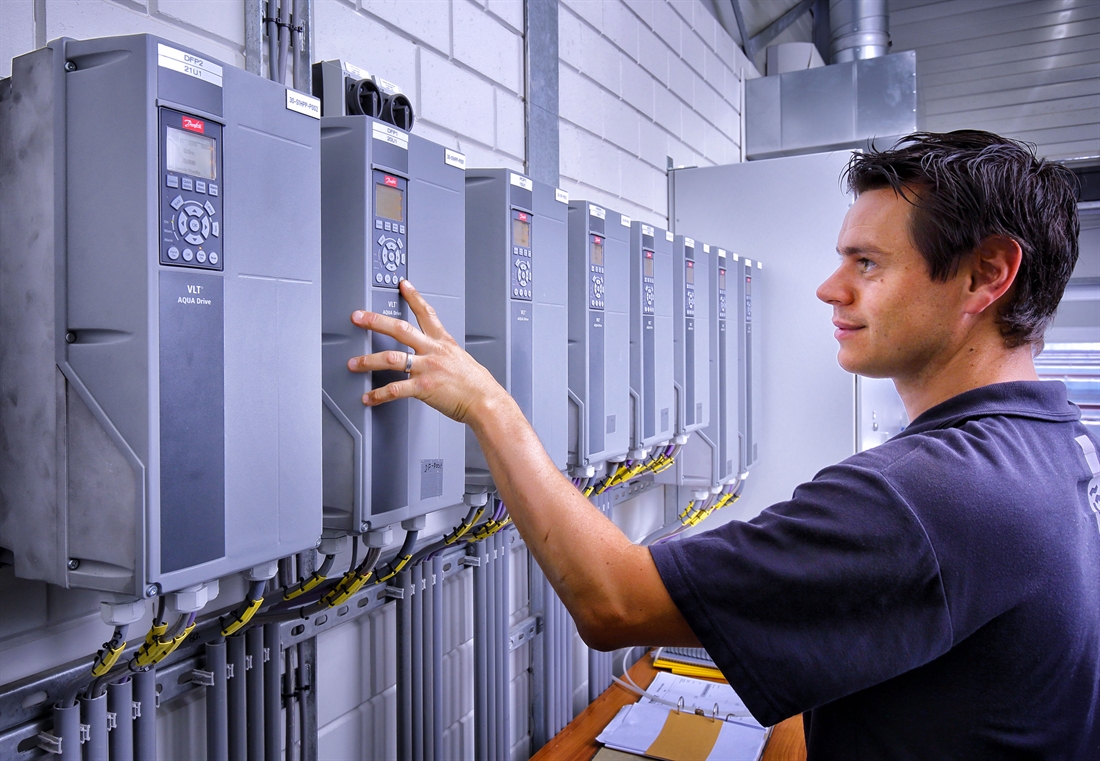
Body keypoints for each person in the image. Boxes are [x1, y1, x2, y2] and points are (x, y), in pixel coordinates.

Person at [345, 131, 1099, 758]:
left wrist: (486, 402)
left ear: (987, 274)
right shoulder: (1058, 443)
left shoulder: (931, 493)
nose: (829, 288)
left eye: (867, 262)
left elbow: (612, 601)